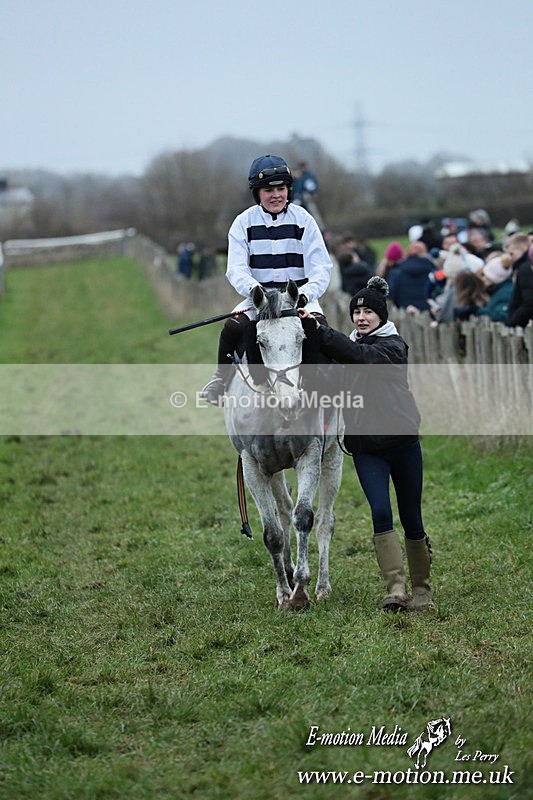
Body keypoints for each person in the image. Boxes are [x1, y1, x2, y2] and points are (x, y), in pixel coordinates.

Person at [299, 276, 433, 612]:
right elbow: (320, 381)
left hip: (402, 444)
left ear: (381, 316)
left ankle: (422, 590)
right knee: (380, 512)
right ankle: (396, 588)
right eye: (356, 312)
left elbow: (361, 357)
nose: (361, 316)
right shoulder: (348, 348)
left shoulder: (393, 346)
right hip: (366, 447)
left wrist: (325, 333)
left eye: (368, 312)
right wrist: (310, 339)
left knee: (412, 517)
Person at [201, 155, 332, 404]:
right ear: (257, 193)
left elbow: (322, 267)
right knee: (233, 326)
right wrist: (255, 291)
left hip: (299, 299)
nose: (276, 195)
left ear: (288, 190)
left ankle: (327, 387)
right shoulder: (242, 223)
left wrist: (305, 294)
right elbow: (236, 269)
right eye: (268, 190)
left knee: (321, 330)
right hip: (258, 299)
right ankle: (220, 378)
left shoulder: (304, 220)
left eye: (281, 189)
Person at [390, 241, 434, 312]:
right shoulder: (432, 270)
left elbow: (392, 294)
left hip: (405, 311)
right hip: (428, 311)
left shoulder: (397, 271)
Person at [505, 239, 533, 328]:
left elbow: (529, 303)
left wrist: (511, 322)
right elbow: (516, 299)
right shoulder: (524, 270)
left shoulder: (524, 271)